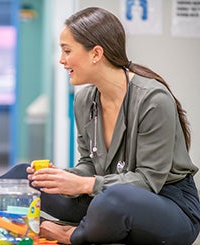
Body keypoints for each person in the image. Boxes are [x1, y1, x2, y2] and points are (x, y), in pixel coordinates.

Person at [25, 7, 200, 245]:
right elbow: (89, 163)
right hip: (107, 196)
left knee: (113, 200)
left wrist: (85, 184)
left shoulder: (153, 100)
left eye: (67, 50)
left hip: (168, 205)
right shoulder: (84, 100)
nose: (61, 60)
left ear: (96, 53)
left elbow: (149, 181)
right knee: (26, 179)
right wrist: (63, 177)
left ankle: (73, 234)